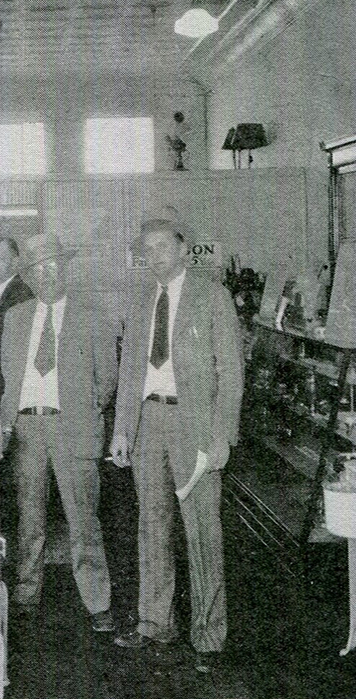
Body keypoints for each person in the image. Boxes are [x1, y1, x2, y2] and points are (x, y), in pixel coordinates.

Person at [108, 213, 243, 674]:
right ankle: (154, 622)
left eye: (163, 246)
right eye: (147, 250)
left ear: (185, 249)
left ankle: (208, 636)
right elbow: (130, 372)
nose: (155, 256)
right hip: (149, 422)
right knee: (152, 526)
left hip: (197, 427)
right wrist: (122, 429)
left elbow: (231, 373)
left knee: (203, 533)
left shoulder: (213, 296)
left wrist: (223, 435)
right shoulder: (142, 299)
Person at [0, 232, 118, 633]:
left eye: (53, 265)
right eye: (37, 269)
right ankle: (26, 592)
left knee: (84, 520)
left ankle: (98, 601)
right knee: (28, 518)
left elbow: (107, 382)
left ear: (64, 268)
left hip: (75, 428)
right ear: (28, 278)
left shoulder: (93, 315)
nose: (46, 275)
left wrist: (81, 413)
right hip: (28, 429)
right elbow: (8, 379)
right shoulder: (15, 319)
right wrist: (8, 426)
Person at [0, 236, 35, 399]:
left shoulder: (20, 293)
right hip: (1, 383)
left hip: (10, 385)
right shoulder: (3, 290)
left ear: (15, 262)